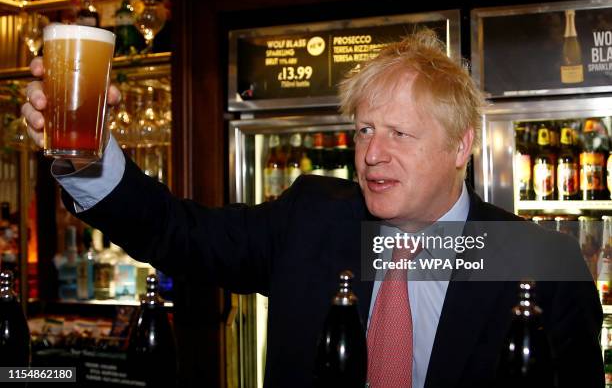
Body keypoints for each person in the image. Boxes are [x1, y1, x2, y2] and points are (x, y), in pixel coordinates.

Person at [22, 30, 602, 388]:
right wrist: (88, 160)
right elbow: (180, 232)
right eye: (364, 130)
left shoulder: (534, 260)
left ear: (461, 145)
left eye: (399, 132)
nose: (372, 154)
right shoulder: (313, 219)